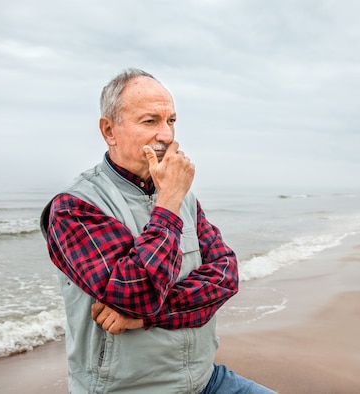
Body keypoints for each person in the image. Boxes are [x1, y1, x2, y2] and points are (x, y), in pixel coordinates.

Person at [40, 68, 275, 393]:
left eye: (171, 121)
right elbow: (137, 295)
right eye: (150, 121)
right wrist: (168, 202)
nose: (166, 135)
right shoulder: (74, 207)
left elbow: (226, 275)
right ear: (110, 130)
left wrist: (148, 318)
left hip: (205, 380)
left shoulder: (181, 195)